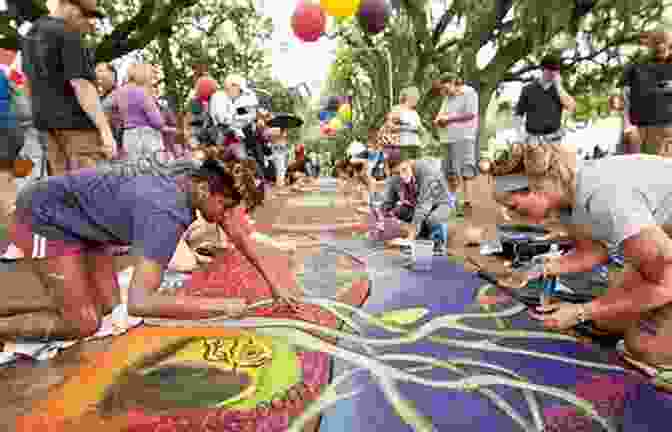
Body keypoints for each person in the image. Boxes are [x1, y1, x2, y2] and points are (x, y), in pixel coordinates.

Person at [0, 156, 297, 340]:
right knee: (84, 323)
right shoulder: (165, 212)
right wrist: (224, 306)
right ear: (206, 191)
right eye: (225, 208)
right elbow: (140, 303)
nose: (225, 219)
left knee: (106, 308)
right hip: (42, 217)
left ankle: (32, 304)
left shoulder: (193, 175)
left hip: (84, 220)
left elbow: (238, 235)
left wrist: (275, 285)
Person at [490, 148, 672, 374]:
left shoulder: (605, 199)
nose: (511, 217)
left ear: (537, 187)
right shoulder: (568, 196)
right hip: (663, 240)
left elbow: (664, 284)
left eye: (513, 207)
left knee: (643, 348)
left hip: (665, 262)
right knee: (609, 321)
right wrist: (541, 268)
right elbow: (594, 252)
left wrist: (581, 312)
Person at [21, 0, 116, 175]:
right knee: (92, 190)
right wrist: (105, 130)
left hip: (47, 130)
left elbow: (26, 84)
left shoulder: (30, 36)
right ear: (69, 6)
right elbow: (81, 85)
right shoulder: (69, 33)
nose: (88, 22)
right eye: (85, 14)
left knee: (63, 193)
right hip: (79, 130)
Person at [381, 158, 455, 254]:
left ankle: (438, 245)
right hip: (419, 204)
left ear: (409, 162)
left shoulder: (427, 171)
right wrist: (381, 219)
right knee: (400, 211)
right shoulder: (394, 177)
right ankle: (421, 239)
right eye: (396, 173)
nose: (401, 176)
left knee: (432, 219)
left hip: (441, 203)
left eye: (404, 170)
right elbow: (388, 202)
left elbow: (424, 206)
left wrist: (410, 236)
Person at [434, 73, 479, 213]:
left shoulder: (469, 92)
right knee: (449, 172)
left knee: (465, 169)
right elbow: (441, 114)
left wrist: (448, 120)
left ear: (453, 82)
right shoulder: (447, 98)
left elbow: (471, 114)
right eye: (442, 90)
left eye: (445, 89)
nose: (444, 93)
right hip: (448, 138)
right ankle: (451, 202)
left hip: (463, 137)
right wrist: (438, 120)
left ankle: (466, 202)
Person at [623, 28, 672, 156]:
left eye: (663, 42)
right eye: (655, 42)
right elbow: (627, 97)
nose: (660, 46)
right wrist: (628, 127)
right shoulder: (637, 67)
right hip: (644, 127)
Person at [513, 55, 576, 147]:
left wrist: (559, 86)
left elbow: (571, 107)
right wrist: (519, 134)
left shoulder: (560, 90)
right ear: (542, 69)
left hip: (554, 139)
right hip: (533, 138)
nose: (553, 73)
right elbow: (519, 113)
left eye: (556, 70)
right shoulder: (528, 89)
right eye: (550, 70)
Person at [112, 63, 166, 162]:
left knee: (135, 170)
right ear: (144, 75)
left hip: (128, 136)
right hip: (148, 137)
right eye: (151, 76)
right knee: (157, 170)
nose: (152, 79)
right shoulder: (142, 92)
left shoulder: (119, 93)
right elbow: (157, 122)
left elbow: (116, 116)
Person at [209, 74, 258, 160]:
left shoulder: (230, 100)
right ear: (232, 86)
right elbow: (223, 119)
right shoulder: (219, 97)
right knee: (244, 161)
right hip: (222, 140)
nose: (240, 93)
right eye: (240, 90)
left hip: (232, 140)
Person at [96, 62, 123, 156]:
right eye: (96, 71)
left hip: (118, 145)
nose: (96, 74)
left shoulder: (120, 93)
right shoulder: (99, 98)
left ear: (112, 74)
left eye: (100, 71)